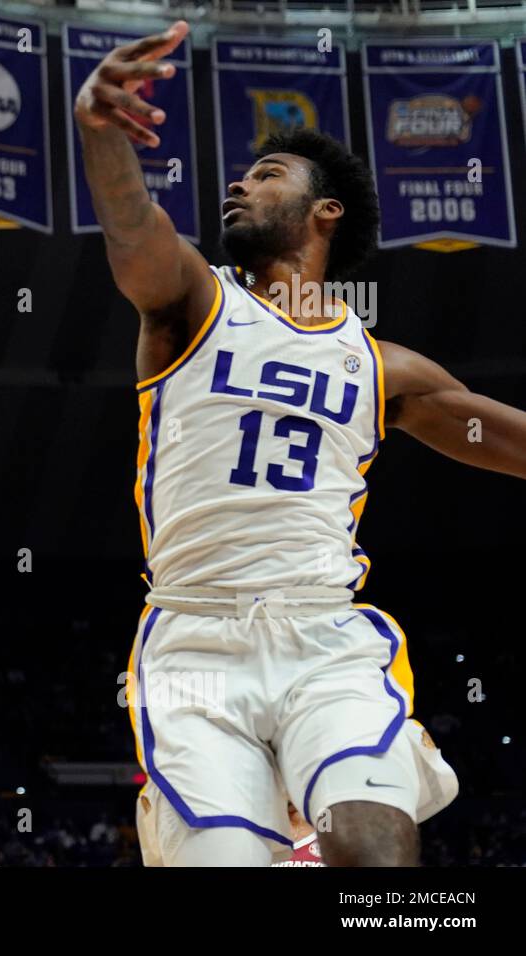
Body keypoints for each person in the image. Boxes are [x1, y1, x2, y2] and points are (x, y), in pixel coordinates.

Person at [76, 21, 520, 865]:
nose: (240, 187)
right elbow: (134, 229)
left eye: (266, 175)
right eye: (241, 176)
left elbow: (500, 437)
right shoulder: (191, 304)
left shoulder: (381, 365)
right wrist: (100, 132)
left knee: (372, 847)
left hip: (323, 634)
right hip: (194, 644)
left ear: (326, 212)